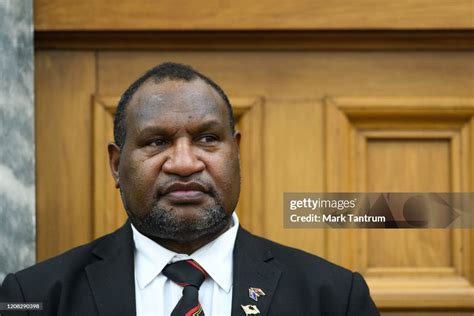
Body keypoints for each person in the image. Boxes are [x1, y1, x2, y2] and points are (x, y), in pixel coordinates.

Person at [0, 62, 379, 315]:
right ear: (117, 165)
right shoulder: (35, 297)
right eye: (156, 142)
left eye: (207, 138)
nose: (184, 163)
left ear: (237, 153)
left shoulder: (333, 298)